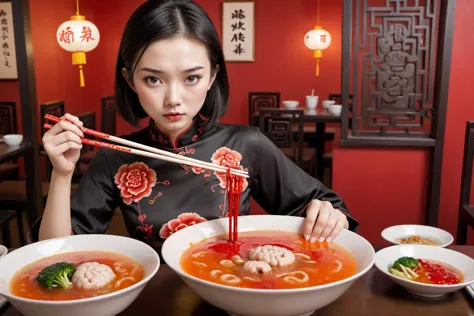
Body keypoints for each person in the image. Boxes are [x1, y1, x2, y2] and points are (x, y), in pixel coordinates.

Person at [30, 0, 358, 248]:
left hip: (230, 296)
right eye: (153, 79)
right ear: (130, 80)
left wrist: (327, 214)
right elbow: (57, 253)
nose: (174, 98)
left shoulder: (247, 145)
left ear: (213, 75)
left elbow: (327, 207)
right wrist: (61, 174)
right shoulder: (114, 157)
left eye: (191, 77)